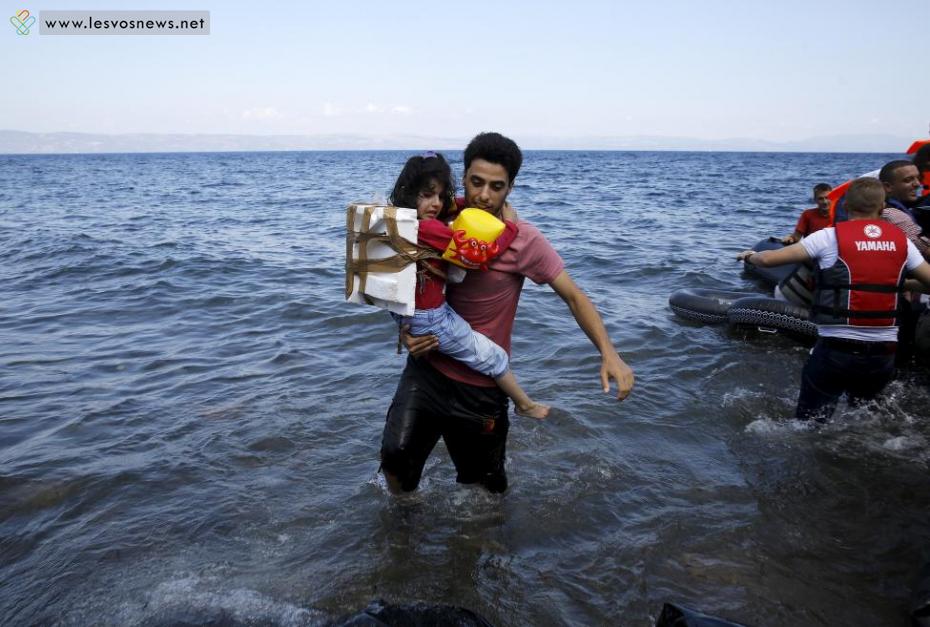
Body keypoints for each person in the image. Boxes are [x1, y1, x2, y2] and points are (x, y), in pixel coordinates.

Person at [380, 132, 634, 494]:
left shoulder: (524, 240)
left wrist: (610, 353)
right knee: (395, 460)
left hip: (480, 388)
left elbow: (575, 297)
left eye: (496, 186)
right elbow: (394, 276)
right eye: (476, 182)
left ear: (510, 188)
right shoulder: (439, 217)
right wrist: (405, 332)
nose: (484, 195)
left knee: (483, 491)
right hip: (427, 372)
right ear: (463, 178)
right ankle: (401, 539)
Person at [737, 177, 930, 422]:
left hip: (836, 350)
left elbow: (767, 261)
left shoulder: (828, 237)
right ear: (882, 208)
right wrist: (899, 284)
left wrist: (750, 256)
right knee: (864, 419)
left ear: (845, 206)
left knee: (810, 424)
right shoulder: (901, 242)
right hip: (883, 354)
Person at [387, 151, 549, 419]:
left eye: (440, 196)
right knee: (493, 357)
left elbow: (452, 207)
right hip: (431, 316)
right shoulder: (431, 229)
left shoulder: (404, 222)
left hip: (411, 310)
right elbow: (481, 252)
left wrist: (466, 203)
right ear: (410, 193)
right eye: (427, 195)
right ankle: (524, 404)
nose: (436, 204)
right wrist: (509, 226)